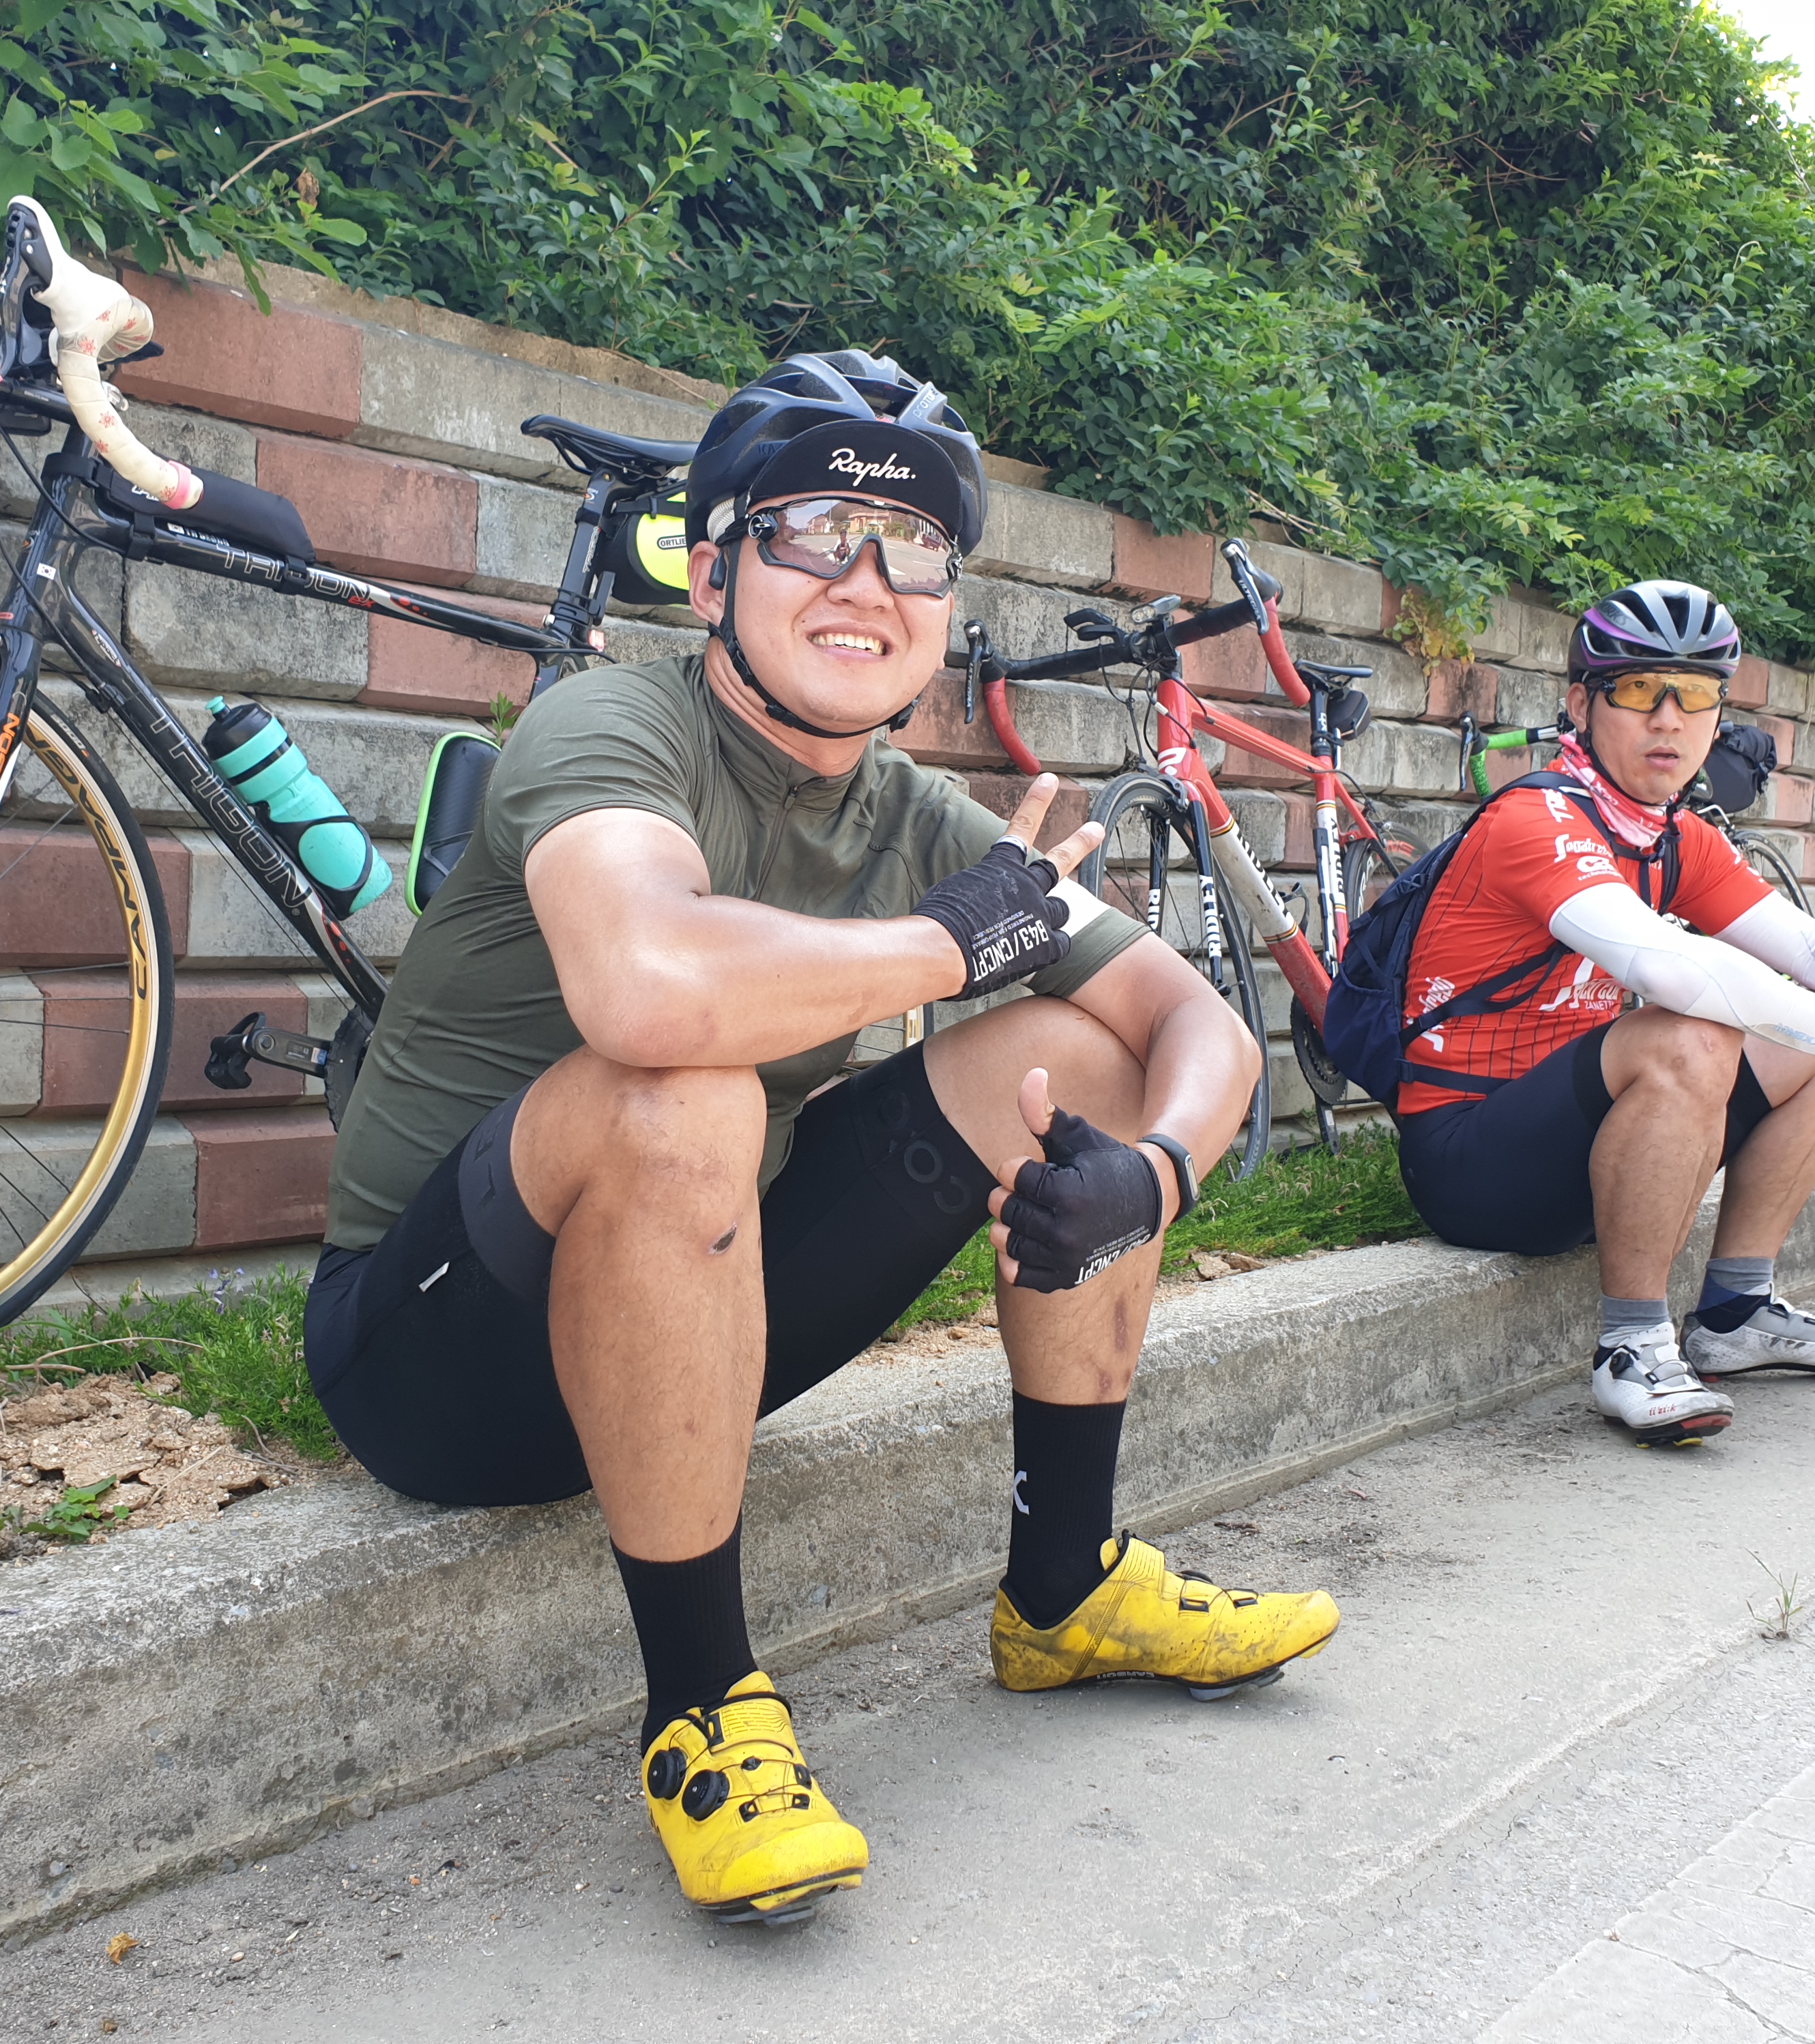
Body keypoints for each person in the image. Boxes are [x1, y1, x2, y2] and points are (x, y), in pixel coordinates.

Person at [304, 351, 1337, 1928]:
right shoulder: (610, 726)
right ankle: (704, 1714)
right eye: (810, 533)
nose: (865, 580)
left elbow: (1190, 1018)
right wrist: (947, 946)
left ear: (944, 602)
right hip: (435, 1359)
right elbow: (648, 984)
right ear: (714, 573)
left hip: (693, 1331)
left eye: (911, 546)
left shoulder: (915, 815)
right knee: (684, 1086)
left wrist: (1157, 1176)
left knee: (1086, 1056)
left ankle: (1064, 1586)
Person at [1388, 581, 1815, 1444]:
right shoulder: (1534, 819)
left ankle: (1736, 1313)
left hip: (1587, 1144)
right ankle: (1631, 1348)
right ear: (1582, 707)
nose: (1668, 718)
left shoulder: (1674, 837)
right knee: (1695, 1029)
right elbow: (1667, 969)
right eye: (1638, 690)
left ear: (1718, 716)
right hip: (1470, 1165)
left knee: (1809, 1028)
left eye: (1696, 694)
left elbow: (1812, 952)